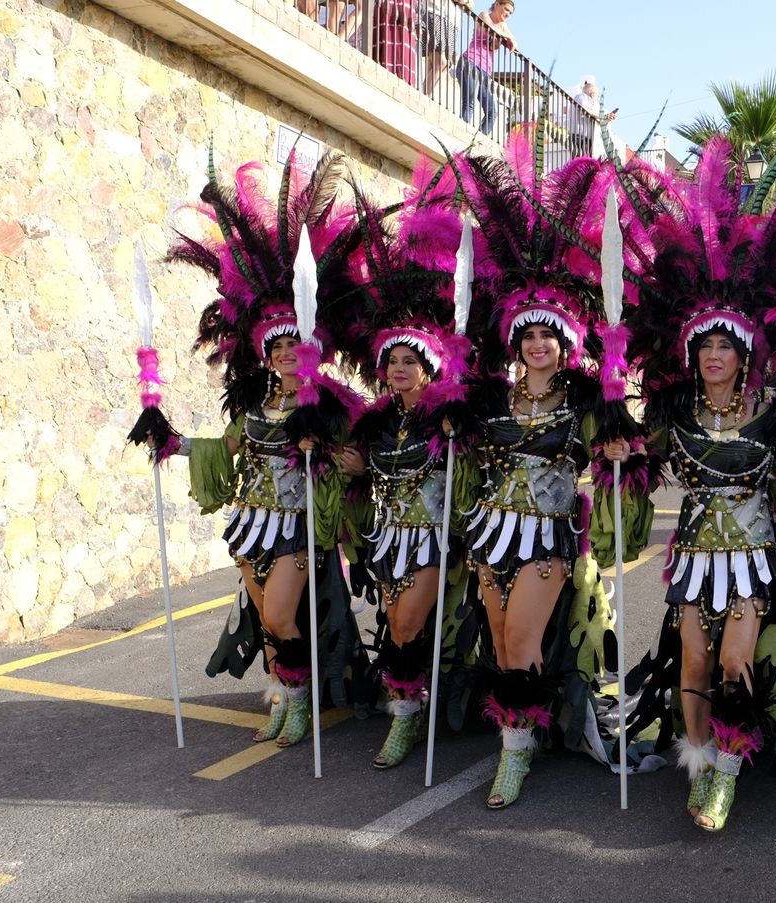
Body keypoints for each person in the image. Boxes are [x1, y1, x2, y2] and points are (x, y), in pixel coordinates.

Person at [604, 140, 776, 833]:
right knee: (693, 656)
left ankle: (727, 774)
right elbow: (642, 460)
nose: (714, 355)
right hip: (694, 553)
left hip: (752, 552)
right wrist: (620, 455)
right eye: (704, 348)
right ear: (693, 356)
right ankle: (699, 755)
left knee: (733, 658)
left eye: (724, 346)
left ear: (744, 353)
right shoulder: (676, 413)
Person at [130, 154, 369, 749]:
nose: (288, 353)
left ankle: (301, 693)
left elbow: (357, 462)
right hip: (252, 524)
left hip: (299, 527)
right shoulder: (254, 405)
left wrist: (329, 458)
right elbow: (227, 449)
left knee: (284, 616)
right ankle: (288, 699)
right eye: (278, 346)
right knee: (267, 622)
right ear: (265, 352)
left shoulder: (331, 405)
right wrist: (171, 441)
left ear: (311, 348)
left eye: (297, 344)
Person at [451, 143, 624, 809]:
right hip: (489, 533)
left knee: (522, 637)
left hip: (547, 535)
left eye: (548, 336)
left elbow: (620, 441)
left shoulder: (585, 398)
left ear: (564, 341)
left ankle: (514, 755)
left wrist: (612, 441)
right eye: (528, 336)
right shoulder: (492, 397)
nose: (538, 345)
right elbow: (464, 445)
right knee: (499, 642)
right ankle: (525, 731)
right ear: (515, 340)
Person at [333, 168, 484, 770]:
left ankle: (403, 718)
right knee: (394, 620)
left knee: (406, 621)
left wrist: (458, 443)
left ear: (428, 367)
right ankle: (409, 704)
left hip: (433, 537)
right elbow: (367, 474)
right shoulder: (374, 422)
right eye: (390, 360)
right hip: (385, 538)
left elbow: (479, 466)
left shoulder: (451, 416)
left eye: (408, 360)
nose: (396, 368)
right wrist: (352, 468)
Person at [456, 0, 516, 137]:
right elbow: (490, 28)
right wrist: (507, 37)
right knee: (469, 102)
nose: (508, 14)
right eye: (506, 9)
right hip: (470, 62)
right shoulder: (484, 15)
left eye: (510, 13)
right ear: (496, 5)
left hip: (485, 71)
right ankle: (462, 135)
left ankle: (477, 140)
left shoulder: (502, 26)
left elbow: (514, 43)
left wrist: (508, 39)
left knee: (492, 111)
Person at [419, 0, 473, 96]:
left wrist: (466, 2)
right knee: (441, 62)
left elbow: (471, 5)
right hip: (435, 11)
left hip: (452, 22)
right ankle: (424, 95)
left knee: (436, 63)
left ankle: (425, 95)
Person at [569, 75, 616, 158]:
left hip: (586, 138)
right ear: (592, 94)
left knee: (586, 161)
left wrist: (608, 117)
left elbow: (598, 115)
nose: (597, 98)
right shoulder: (581, 97)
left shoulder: (590, 103)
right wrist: (604, 116)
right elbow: (586, 109)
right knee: (581, 160)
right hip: (580, 136)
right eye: (597, 95)